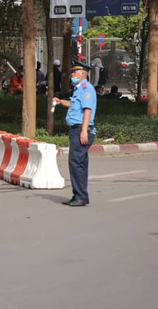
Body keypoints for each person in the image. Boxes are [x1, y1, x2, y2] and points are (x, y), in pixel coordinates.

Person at [52, 60, 96, 207]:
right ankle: (80, 195)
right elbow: (73, 103)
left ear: (83, 74)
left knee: (76, 163)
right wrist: (60, 102)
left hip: (81, 129)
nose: (72, 74)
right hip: (76, 129)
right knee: (80, 164)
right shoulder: (79, 89)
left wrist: (84, 131)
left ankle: (81, 196)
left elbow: (87, 110)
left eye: (75, 72)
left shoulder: (86, 88)